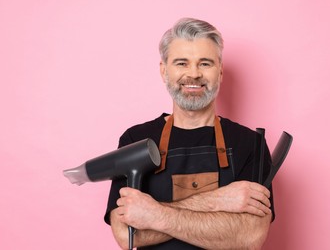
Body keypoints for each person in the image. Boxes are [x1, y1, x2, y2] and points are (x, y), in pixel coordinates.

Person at [104, 18, 274, 249]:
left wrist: (153, 214)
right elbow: (127, 235)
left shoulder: (250, 143)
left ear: (220, 71)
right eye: (182, 63)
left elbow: (250, 236)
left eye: (205, 63)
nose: (193, 74)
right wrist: (218, 201)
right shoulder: (135, 141)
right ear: (164, 71)